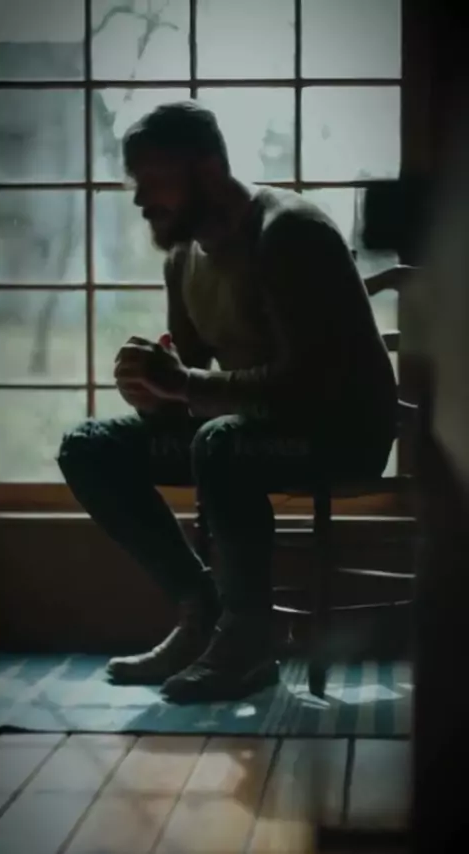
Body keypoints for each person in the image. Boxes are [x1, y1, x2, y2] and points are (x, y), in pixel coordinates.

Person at [57, 100, 398, 704]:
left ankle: (247, 642)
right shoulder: (182, 255)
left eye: (152, 180)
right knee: (90, 447)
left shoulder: (290, 232)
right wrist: (152, 391)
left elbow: (308, 385)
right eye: (136, 183)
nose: (140, 200)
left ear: (208, 170)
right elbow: (189, 390)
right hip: (250, 432)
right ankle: (202, 612)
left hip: (339, 433)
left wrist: (184, 384)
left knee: (223, 443)